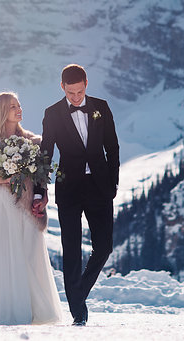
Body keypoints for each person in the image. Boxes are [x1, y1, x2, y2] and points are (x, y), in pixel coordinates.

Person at [32, 64, 119, 326]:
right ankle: (78, 313)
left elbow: (112, 147)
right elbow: (45, 153)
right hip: (69, 188)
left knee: (104, 247)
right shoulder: (52, 114)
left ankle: (78, 293)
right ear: (62, 87)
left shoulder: (101, 107)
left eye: (79, 92)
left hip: (100, 187)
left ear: (86, 84)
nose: (76, 98)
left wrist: (113, 183)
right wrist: (40, 191)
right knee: (71, 251)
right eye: (71, 93)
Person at [0, 92, 62, 325]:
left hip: (29, 205)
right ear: (0, 112)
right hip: (2, 204)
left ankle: (38, 312)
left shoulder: (34, 141)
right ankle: (5, 311)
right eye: (12, 107)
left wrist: (43, 197)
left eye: (19, 105)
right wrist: (5, 178)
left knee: (30, 252)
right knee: (4, 254)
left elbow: (41, 178)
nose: (19, 109)